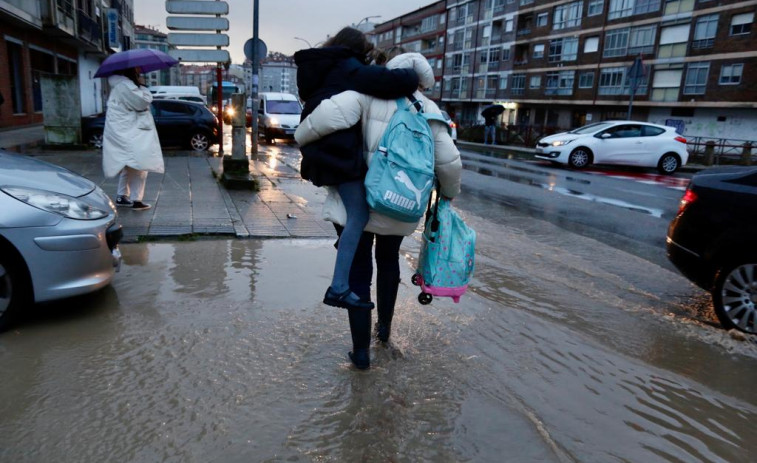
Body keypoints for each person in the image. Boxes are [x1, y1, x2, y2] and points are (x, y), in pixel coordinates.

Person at [295, 52, 463, 370]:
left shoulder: (362, 96)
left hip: (359, 200)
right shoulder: (429, 110)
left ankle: (361, 353)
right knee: (388, 263)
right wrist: (449, 197)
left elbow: (318, 122)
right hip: (400, 206)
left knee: (358, 271)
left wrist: (300, 138)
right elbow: (450, 163)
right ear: (422, 80)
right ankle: (383, 333)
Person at [294, 27, 420, 313]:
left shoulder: (322, 68)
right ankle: (338, 288)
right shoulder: (346, 66)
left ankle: (344, 250)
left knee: (351, 217)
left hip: (323, 152)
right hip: (339, 154)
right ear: (355, 49)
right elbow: (389, 81)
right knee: (359, 215)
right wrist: (412, 73)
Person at [102, 66, 164, 211]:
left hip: (124, 131)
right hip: (132, 133)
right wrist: (142, 86)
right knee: (141, 165)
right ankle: (136, 200)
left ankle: (121, 196)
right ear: (131, 72)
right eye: (137, 70)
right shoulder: (126, 86)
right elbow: (142, 102)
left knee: (128, 165)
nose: (140, 72)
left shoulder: (118, 86)